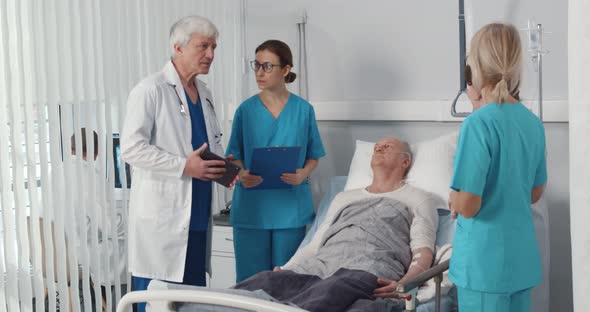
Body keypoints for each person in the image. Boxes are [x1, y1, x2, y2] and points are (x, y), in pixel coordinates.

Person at [229, 137, 440, 311]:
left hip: (368, 266)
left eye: (388, 146)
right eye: (377, 147)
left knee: (333, 289)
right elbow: (314, 245)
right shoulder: (344, 198)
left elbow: (423, 251)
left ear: (405, 162)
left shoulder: (419, 198)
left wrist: (406, 283)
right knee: (264, 282)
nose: (379, 148)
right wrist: (287, 269)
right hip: (319, 265)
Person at [121, 15, 233, 312]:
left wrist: (224, 166)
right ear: (178, 47)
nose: (210, 54)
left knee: (192, 303)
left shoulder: (205, 94)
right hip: (162, 222)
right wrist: (185, 166)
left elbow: (210, 144)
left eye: (214, 47)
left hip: (196, 218)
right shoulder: (150, 90)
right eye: (203, 46)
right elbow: (131, 148)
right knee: (155, 301)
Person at [448, 23, 547, 312]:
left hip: (484, 269)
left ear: (475, 66)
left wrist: (455, 198)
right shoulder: (532, 123)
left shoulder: (478, 124)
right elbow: (534, 193)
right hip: (520, 263)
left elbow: (468, 206)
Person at [225, 39, 326, 282]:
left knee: (286, 283)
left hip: (289, 207)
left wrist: (303, 174)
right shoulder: (245, 111)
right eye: (257, 65)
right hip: (252, 207)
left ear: (286, 69)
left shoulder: (303, 110)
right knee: (250, 284)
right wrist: (241, 173)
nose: (260, 72)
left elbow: (314, 156)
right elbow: (233, 157)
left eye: (267, 66)